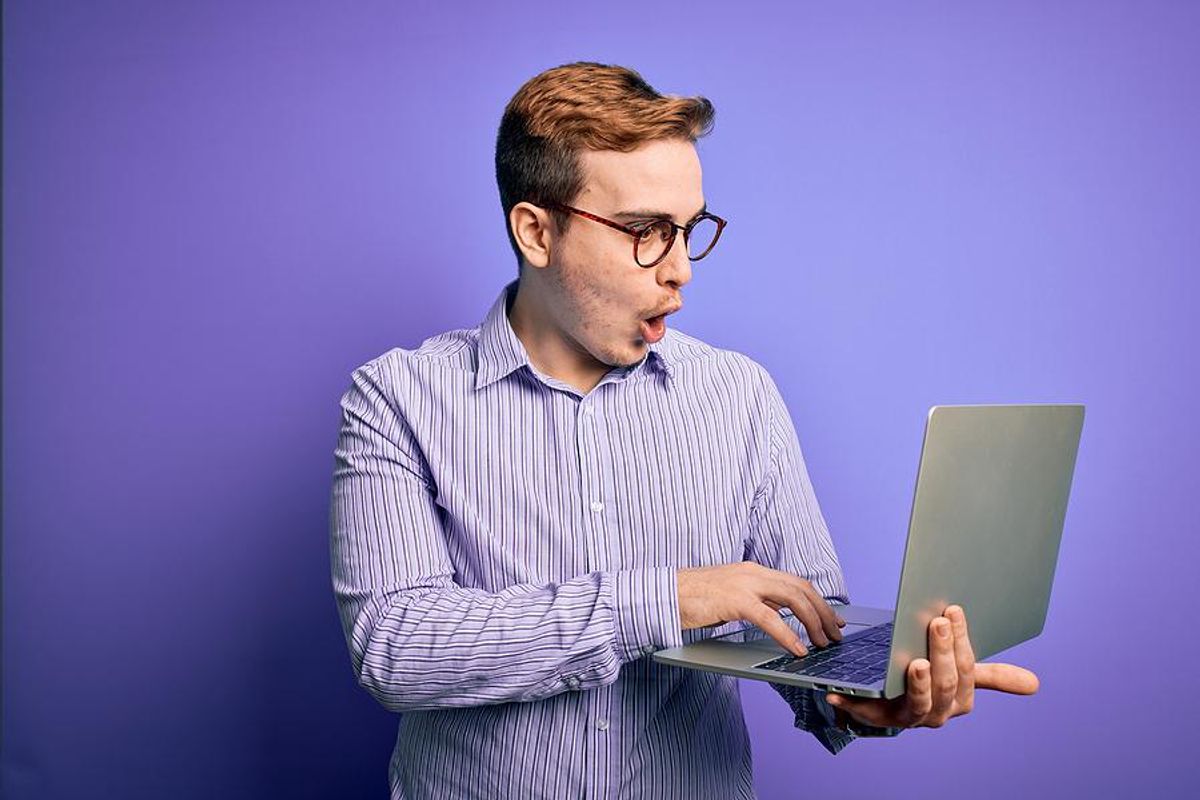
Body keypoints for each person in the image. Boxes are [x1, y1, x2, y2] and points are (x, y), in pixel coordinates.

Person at [329, 61, 1040, 800]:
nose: (681, 271)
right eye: (646, 231)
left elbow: (808, 634)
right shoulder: (396, 398)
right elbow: (394, 648)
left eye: (689, 230)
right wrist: (661, 602)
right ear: (536, 232)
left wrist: (861, 703)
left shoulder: (740, 395)